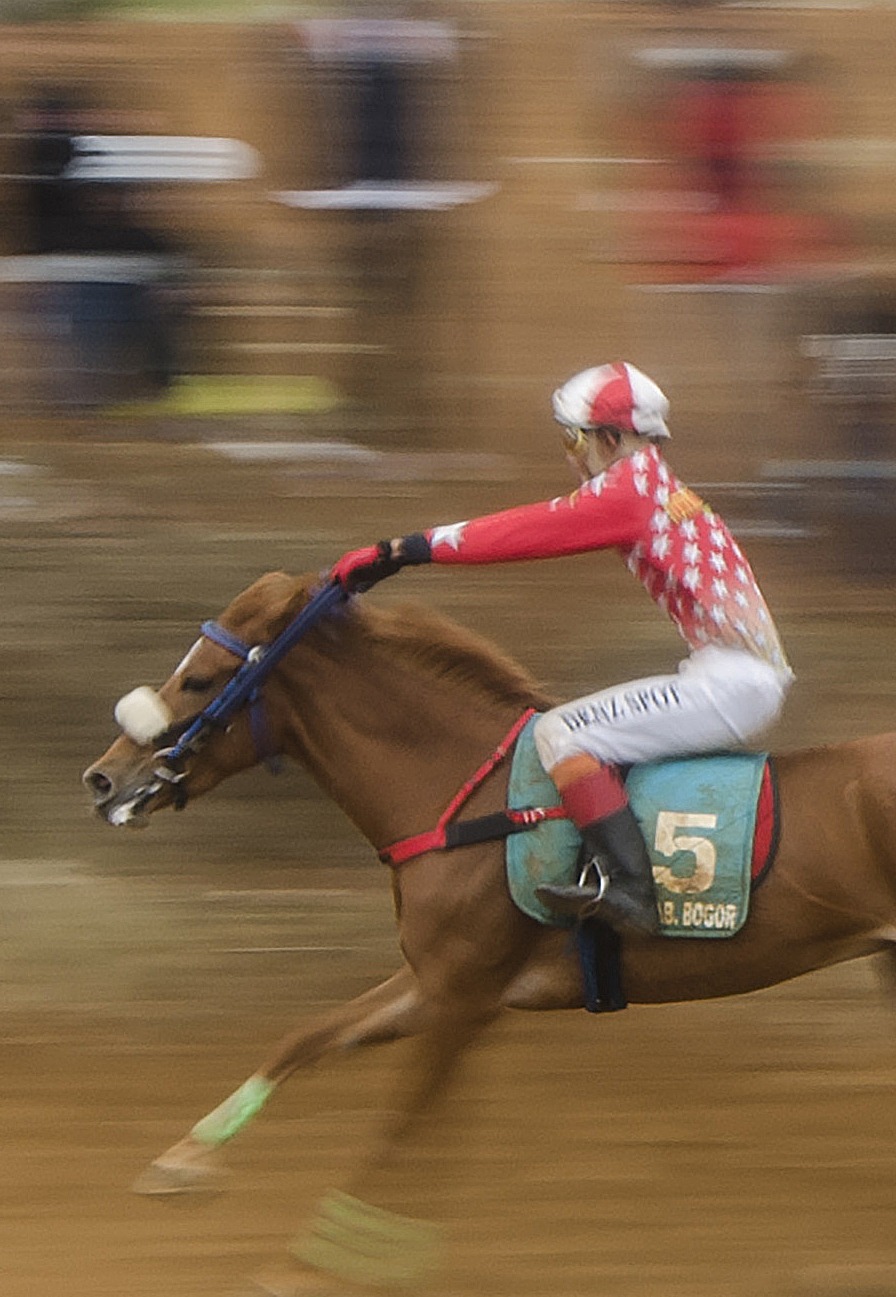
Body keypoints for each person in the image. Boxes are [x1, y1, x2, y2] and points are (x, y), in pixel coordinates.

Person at [333, 362, 788, 935]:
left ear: (609, 439)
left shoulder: (630, 491)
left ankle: (632, 891)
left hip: (732, 681)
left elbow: (528, 531)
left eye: (571, 440)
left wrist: (403, 550)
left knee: (561, 734)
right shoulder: (653, 484)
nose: (570, 457)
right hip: (732, 675)